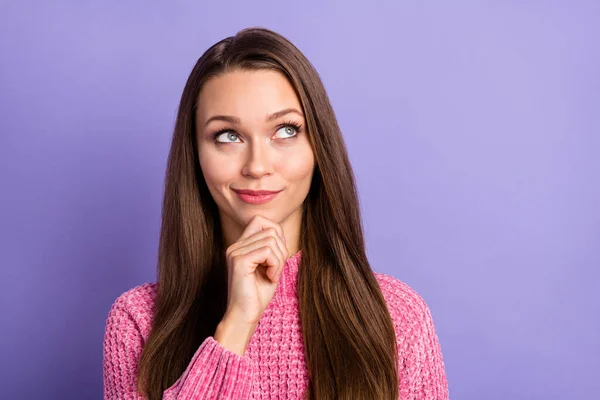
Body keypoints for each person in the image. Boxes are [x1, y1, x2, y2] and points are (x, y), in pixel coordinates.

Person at [102, 27, 449, 400]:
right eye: (228, 136)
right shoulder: (138, 322)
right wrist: (236, 326)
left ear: (319, 147)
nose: (257, 165)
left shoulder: (398, 317)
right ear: (195, 155)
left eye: (285, 130)